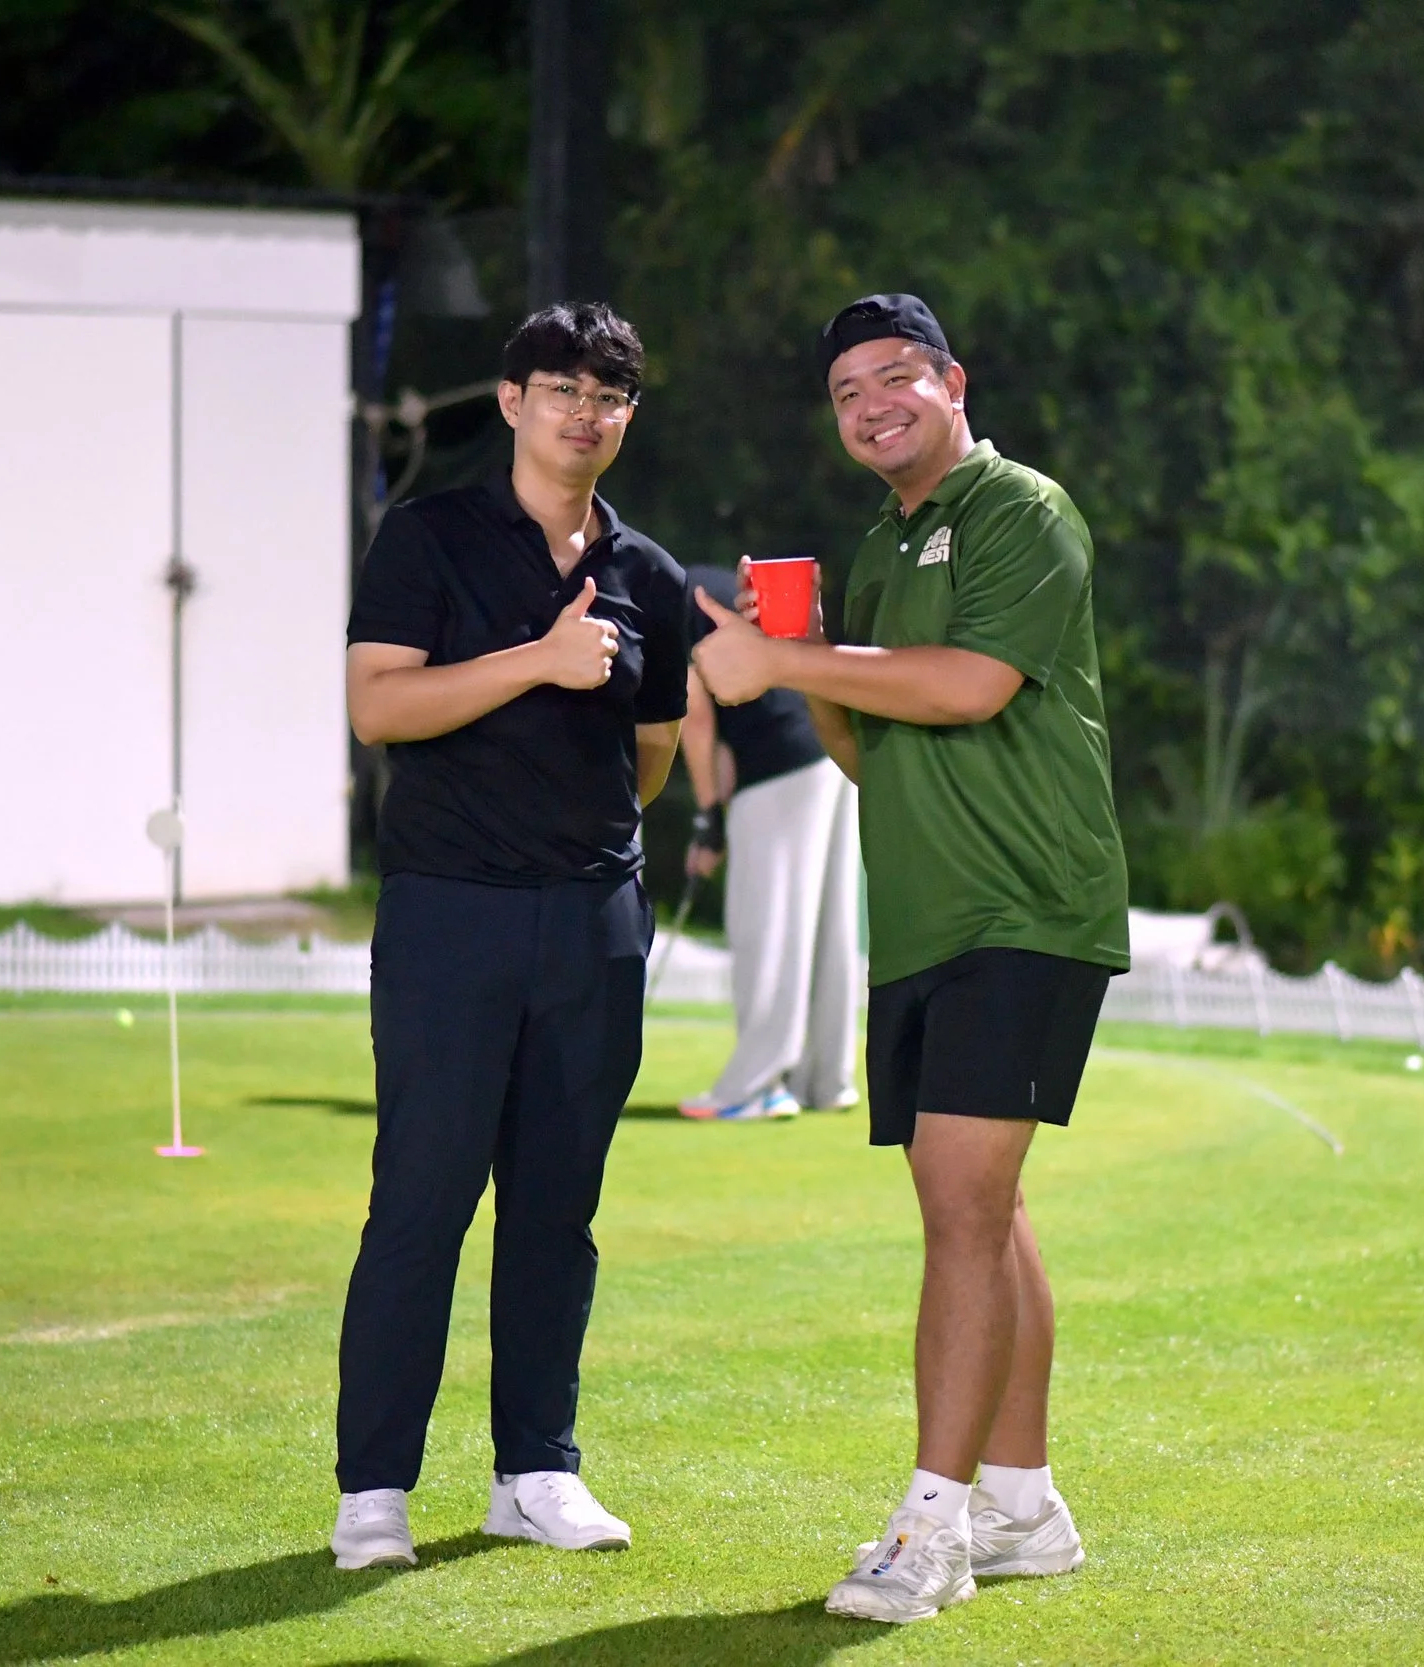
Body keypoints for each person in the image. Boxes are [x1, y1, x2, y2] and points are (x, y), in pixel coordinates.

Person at [692, 293, 1130, 1624]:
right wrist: (808, 662)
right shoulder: (882, 545)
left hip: (1031, 906)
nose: (871, 405)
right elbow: (864, 746)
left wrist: (786, 651)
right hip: (929, 917)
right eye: (845, 393)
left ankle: (931, 1526)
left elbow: (970, 683)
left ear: (951, 380)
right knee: (983, 1212)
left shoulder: (1020, 510)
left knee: (959, 1205)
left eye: (894, 378)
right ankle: (1026, 1506)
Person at [329, 302, 687, 1570]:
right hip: (449, 913)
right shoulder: (429, 535)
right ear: (511, 400)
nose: (587, 412)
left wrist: (578, 843)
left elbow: (649, 753)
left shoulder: (647, 571)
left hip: (591, 922)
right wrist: (534, 661)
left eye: (612, 395)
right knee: (421, 1202)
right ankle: (373, 1489)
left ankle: (535, 1469)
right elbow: (379, 706)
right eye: (564, 388)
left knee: (556, 1212)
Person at [674, 562, 862, 1121]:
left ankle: (756, 1086)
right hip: (828, 751)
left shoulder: (652, 600)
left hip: (779, 766)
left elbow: (696, 715)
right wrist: (721, 819)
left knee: (767, 928)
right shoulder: (700, 583)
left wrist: (708, 816)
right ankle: (824, 1081)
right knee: (829, 927)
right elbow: (727, 739)